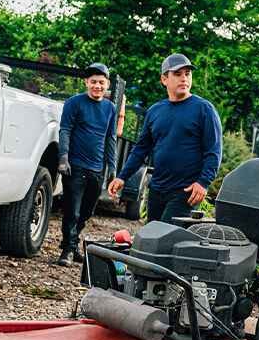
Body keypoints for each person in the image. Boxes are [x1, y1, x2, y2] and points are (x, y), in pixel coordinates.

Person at [108, 53, 222, 224]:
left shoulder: (204, 109)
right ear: (164, 79)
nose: (184, 78)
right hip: (157, 189)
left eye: (187, 74)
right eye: (177, 74)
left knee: (166, 239)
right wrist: (122, 176)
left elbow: (214, 151)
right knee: (151, 239)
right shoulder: (155, 111)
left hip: (186, 192)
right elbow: (141, 149)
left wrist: (203, 182)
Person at [56, 63, 117, 267]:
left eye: (101, 82)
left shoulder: (110, 108)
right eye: (93, 82)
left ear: (107, 84)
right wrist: (63, 157)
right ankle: (67, 250)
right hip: (75, 166)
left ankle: (71, 243)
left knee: (87, 211)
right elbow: (65, 129)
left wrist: (112, 168)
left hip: (97, 168)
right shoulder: (74, 103)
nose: (97, 86)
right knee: (72, 210)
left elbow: (110, 138)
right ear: (86, 82)